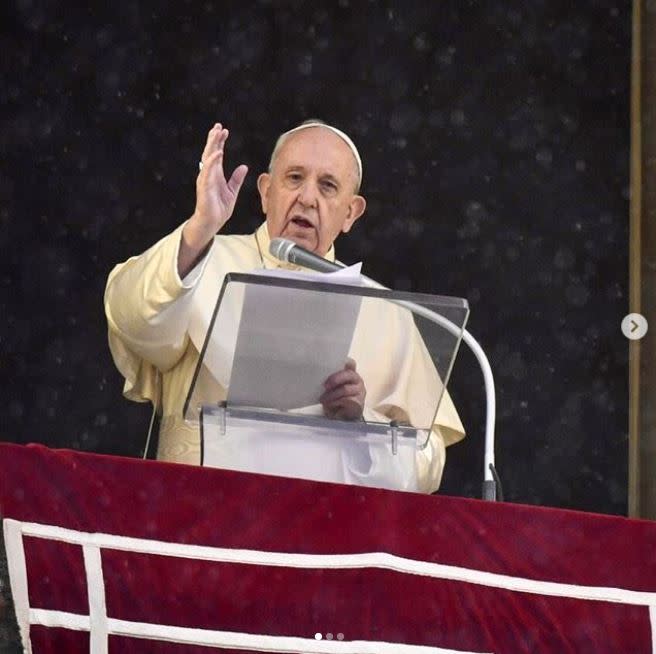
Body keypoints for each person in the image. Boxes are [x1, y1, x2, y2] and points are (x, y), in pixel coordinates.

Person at [104, 120, 465, 492]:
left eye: (327, 186)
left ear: (351, 213)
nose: (308, 198)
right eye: (294, 178)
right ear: (264, 192)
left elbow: (427, 463)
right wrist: (200, 228)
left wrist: (362, 424)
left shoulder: (387, 311)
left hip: (323, 538)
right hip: (204, 525)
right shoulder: (201, 259)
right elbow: (130, 318)